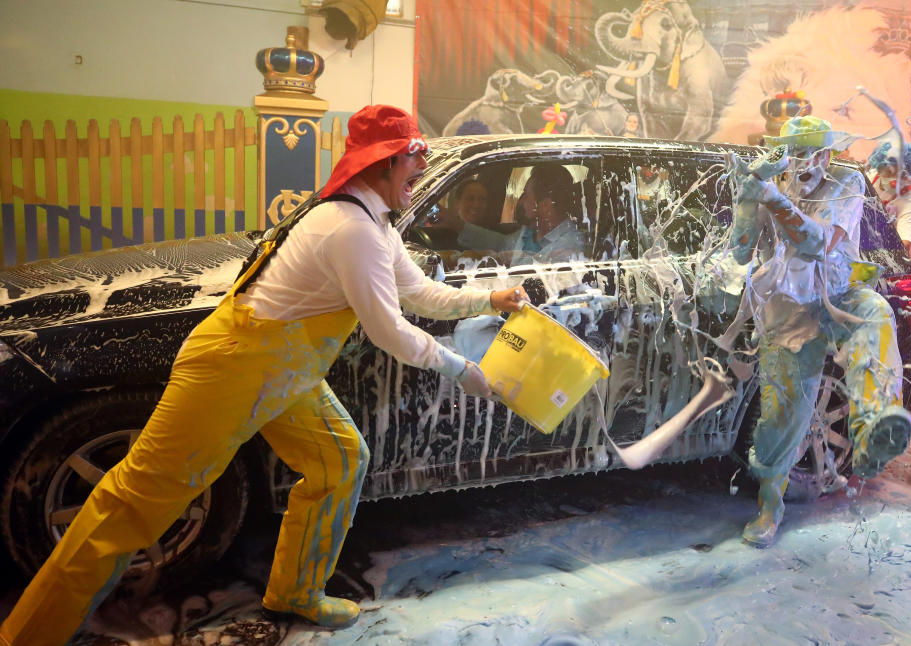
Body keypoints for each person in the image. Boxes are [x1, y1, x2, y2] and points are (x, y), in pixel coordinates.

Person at [0, 105, 528, 646]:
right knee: (131, 504)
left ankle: (297, 592)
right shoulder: (351, 228)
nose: (419, 172)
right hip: (233, 366)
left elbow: (419, 294)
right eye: (413, 161)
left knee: (340, 462)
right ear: (385, 164)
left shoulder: (376, 223)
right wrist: (460, 368)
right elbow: (388, 330)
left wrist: (490, 297)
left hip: (285, 371)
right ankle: (30, 635)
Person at [727, 116, 911, 548]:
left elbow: (818, 242)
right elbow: (739, 251)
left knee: (875, 313)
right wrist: (747, 199)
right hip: (789, 308)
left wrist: (771, 197)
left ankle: (872, 429)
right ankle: (770, 508)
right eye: (794, 153)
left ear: (828, 156)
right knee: (781, 416)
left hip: (839, 293)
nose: (802, 164)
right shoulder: (776, 180)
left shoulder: (846, 182)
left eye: (812, 153)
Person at [512, 164, 586, 263]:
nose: (521, 202)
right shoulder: (529, 232)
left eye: (526, 195)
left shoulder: (569, 249)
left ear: (546, 206)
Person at [865, 140, 911, 254]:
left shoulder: (910, 198)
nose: (894, 180)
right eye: (889, 172)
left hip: (884, 249)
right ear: (879, 168)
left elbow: (904, 239)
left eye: (901, 175)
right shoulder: (868, 179)